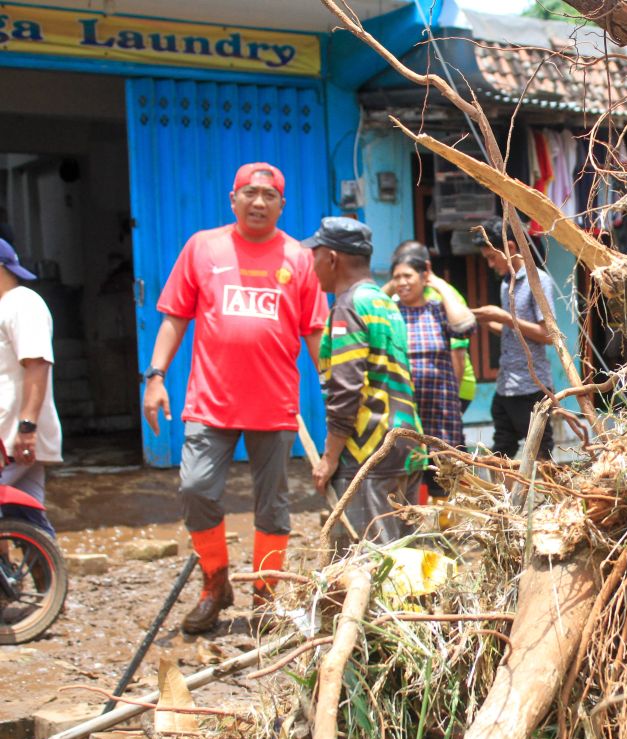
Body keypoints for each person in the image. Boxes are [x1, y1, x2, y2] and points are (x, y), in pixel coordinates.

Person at [142, 162, 329, 635]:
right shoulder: (203, 248)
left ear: (282, 205)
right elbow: (174, 317)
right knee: (195, 489)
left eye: (269, 195)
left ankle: (265, 597)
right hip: (211, 402)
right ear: (233, 199)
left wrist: (335, 388)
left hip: (275, 405)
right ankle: (215, 583)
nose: (259, 202)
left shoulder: (298, 259)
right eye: (250, 193)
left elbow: (315, 332)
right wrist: (155, 376)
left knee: (273, 507)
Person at [305, 218, 425, 546]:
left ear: (332, 258)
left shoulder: (348, 307)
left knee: (371, 556)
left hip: (369, 452)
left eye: (315, 256)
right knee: (405, 552)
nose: (312, 266)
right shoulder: (384, 303)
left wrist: (330, 455)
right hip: (407, 444)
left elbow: (346, 388)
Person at [388, 242, 476, 498]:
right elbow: (366, 312)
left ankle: (449, 522)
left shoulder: (438, 309)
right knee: (405, 479)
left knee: (446, 477)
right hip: (404, 414)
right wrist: (390, 286)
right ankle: (414, 520)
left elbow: (465, 326)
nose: (402, 282)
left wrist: (437, 283)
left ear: (423, 276)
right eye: (396, 277)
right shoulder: (391, 312)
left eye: (407, 276)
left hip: (440, 412)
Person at [469, 218, 557, 461]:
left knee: (540, 451)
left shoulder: (538, 281)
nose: (490, 264)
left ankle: (551, 487)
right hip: (506, 384)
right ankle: (506, 489)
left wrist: (505, 318)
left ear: (510, 247)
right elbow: (513, 332)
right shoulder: (506, 283)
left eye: (491, 257)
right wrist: (484, 320)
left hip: (532, 386)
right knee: (501, 450)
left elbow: (548, 335)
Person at [0, 239, 61, 533]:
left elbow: (37, 363)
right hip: (10, 436)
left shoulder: (22, 303)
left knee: (24, 519)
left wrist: (27, 426)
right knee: (26, 522)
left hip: (13, 436)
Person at [386, 241, 478, 414]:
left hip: (450, 390)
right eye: (397, 272)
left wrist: (452, 401)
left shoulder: (442, 297)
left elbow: (457, 353)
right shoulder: (398, 299)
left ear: (425, 268)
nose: (402, 281)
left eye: (408, 272)